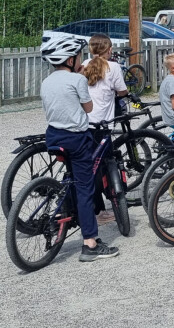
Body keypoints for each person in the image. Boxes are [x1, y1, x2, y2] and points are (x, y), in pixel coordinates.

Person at [39, 36, 119, 261]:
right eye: (79, 56)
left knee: (71, 178)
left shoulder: (46, 81)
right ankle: (91, 244)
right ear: (71, 59)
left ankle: (63, 206)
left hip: (53, 136)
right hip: (76, 138)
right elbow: (88, 107)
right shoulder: (77, 80)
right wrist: (79, 78)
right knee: (85, 188)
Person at [80, 33, 130, 225]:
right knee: (100, 167)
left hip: (84, 122)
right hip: (103, 123)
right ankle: (99, 211)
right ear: (109, 50)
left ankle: (97, 207)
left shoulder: (84, 64)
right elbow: (122, 91)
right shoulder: (114, 67)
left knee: (90, 165)